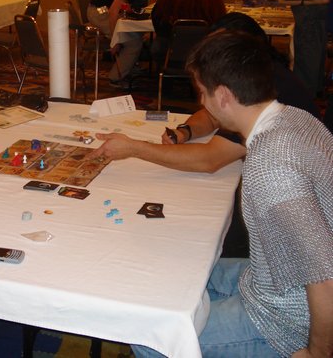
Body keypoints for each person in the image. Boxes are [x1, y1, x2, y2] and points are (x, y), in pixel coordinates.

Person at [131, 30, 333, 357]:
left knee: (150, 340)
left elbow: (325, 275)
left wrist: (318, 353)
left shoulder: (271, 166)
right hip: (269, 281)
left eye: (202, 93)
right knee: (177, 275)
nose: (202, 103)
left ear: (223, 95)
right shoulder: (295, 117)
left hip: (288, 318)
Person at [90, 12, 320, 174]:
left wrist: (134, 148)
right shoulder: (257, 73)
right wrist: (185, 132)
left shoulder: (267, 88)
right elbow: (213, 115)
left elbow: (209, 160)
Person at [87, 0, 167, 86]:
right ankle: (116, 78)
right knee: (132, 41)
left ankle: (128, 68)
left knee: (135, 36)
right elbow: (113, 11)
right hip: (99, 12)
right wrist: (115, 40)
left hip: (107, 11)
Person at [151, 0, 226, 64]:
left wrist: (165, 34)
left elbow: (156, 16)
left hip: (170, 51)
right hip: (203, 51)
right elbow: (220, 22)